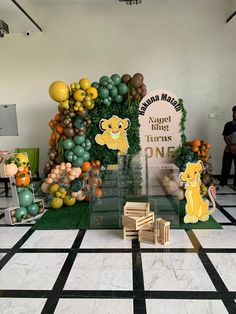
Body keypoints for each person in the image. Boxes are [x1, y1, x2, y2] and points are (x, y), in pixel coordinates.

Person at [220, 105, 236, 187]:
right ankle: (223, 183)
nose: (234, 114)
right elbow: (225, 136)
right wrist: (230, 146)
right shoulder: (228, 124)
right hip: (228, 149)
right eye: (233, 112)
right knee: (225, 167)